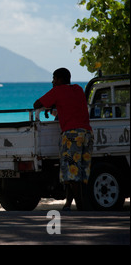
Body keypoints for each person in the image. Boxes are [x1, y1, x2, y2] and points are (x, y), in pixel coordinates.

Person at [33, 68, 93, 211]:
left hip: (72, 135)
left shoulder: (57, 91)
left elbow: (36, 104)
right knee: (81, 172)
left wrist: (50, 104)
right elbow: (69, 104)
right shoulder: (78, 89)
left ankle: (80, 206)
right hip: (87, 133)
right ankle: (68, 204)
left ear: (60, 79)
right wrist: (55, 105)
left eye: (54, 78)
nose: (52, 82)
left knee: (71, 172)